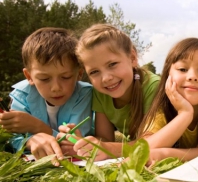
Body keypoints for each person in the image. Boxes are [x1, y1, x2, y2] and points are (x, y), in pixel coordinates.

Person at [64, 23, 160, 160]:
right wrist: (82, 143)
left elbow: (153, 142)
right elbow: (104, 138)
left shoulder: (153, 86)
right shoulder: (101, 92)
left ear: (132, 58)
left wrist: (109, 149)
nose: (106, 78)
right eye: (94, 72)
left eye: (112, 64)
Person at [0, 27, 93, 163]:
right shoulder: (21, 95)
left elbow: (74, 141)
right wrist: (30, 141)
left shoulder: (84, 94)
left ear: (79, 74)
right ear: (29, 76)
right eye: (44, 79)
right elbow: (12, 138)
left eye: (66, 77)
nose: (56, 88)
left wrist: (37, 127)